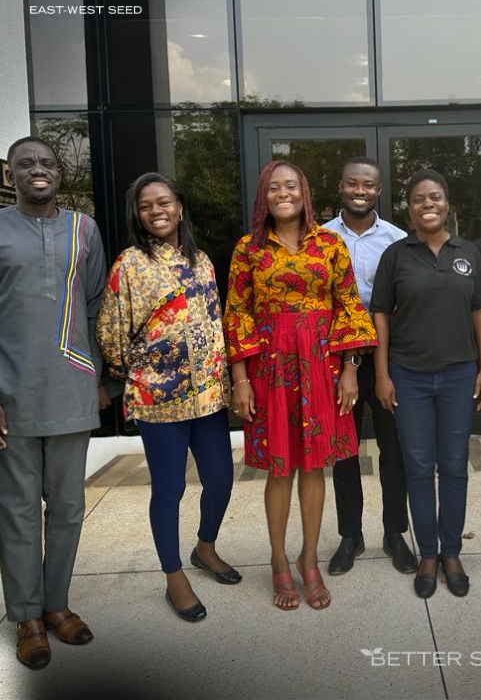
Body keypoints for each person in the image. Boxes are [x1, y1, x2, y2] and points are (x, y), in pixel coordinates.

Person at [224, 160, 376, 611]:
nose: (283, 193)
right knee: (278, 468)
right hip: (269, 368)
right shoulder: (249, 249)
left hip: (321, 364)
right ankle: (278, 562)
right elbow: (237, 313)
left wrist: (350, 367)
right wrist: (240, 379)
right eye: (274, 187)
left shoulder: (329, 244)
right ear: (263, 196)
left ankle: (309, 561)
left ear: (304, 192)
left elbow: (347, 304)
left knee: (314, 465)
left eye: (291, 185)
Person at [97, 172, 238, 623]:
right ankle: (174, 574)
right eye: (146, 206)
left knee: (220, 479)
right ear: (137, 215)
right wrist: (139, 375)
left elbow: (216, 322)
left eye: (164, 202)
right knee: (170, 488)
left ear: (179, 206)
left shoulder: (200, 261)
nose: (156, 211)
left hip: (209, 397)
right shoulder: (129, 265)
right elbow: (111, 332)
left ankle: (205, 548)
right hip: (159, 400)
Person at [0, 136, 108, 670]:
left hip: (71, 387)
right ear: (10, 175)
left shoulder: (84, 229)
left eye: (45, 162)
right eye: (26, 164)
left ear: (58, 172)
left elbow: (94, 307)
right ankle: (25, 616)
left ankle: (57, 605)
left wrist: (100, 378)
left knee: (66, 507)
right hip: (10, 394)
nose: (37, 170)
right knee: (18, 511)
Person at [371, 168, 481, 599]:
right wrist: (382, 373)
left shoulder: (469, 252)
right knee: (419, 468)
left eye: (435, 197)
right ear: (408, 206)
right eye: (419, 198)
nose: (428, 204)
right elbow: (380, 315)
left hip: (460, 374)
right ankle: (427, 553)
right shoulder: (396, 255)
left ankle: (452, 552)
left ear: (447, 203)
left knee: (455, 466)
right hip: (409, 376)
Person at [322, 157, 415, 576]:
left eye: (369, 185)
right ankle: (350, 535)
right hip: (336, 359)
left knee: (394, 449)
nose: (360, 191)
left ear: (379, 190)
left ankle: (395, 532)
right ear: (340, 186)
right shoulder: (319, 239)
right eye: (352, 183)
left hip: (387, 357)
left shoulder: (397, 240)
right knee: (344, 450)